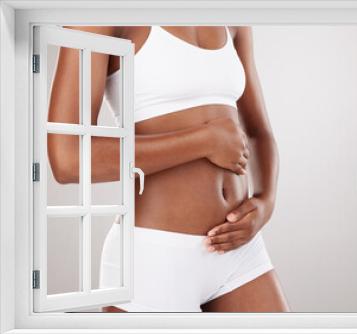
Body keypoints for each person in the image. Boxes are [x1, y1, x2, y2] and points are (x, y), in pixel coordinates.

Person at [47, 25, 289, 312]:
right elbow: (67, 158)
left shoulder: (235, 19)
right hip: (152, 258)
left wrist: (265, 203)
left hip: (239, 250)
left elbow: (259, 132)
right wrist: (203, 141)